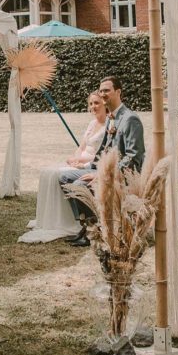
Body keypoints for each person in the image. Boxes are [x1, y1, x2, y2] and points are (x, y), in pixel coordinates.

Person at [59, 76, 145, 247]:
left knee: (79, 184)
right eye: (101, 91)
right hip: (101, 169)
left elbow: (134, 157)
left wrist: (102, 175)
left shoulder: (130, 119)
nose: (103, 94)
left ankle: (95, 231)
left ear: (118, 92)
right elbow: (103, 151)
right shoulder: (111, 118)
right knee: (64, 178)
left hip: (120, 175)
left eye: (107, 90)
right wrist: (87, 167)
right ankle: (86, 225)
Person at [18, 92, 108, 243]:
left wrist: (81, 162)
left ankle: (82, 221)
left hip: (92, 163)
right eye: (91, 103)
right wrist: (74, 158)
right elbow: (81, 147)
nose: (93, 106)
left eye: (97, 103)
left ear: (105, 104)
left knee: (60, 176)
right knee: (48, 173)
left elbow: (103, 155)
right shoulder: (92, 124)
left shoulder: (108, 126)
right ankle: (62, 218)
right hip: (80, 161)